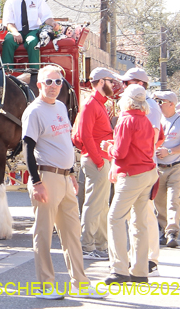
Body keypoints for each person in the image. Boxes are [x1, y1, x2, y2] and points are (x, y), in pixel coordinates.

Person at [23, 66, 105, 300]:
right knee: (44, 234)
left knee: (71, 234)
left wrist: (70, 173)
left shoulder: (60, 107)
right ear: (39, 85)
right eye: (48, 82)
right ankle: (45, 286)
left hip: (64, 178)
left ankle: (80, 282)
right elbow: (28, 149)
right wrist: (36, 182)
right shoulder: (34, 111)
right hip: (46, 177)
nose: (54, 86)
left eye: (58, 82)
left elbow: (64, 142)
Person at [100, 84, 158, 284]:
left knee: (115, 219)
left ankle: (119, 269)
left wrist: (108, 147)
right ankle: (140, 271)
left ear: (127, 101)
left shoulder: (127, 120)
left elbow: (120, 153)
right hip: (147, 172)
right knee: (139, 223)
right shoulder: (146, 120)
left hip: (133, 174)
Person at [73, 67, 118, 261]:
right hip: (96, 160)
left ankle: (99, 245)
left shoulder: (97, 103)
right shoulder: (92, 104)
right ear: (101, 82)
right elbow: (85, 136)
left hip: (99, 159)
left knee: (100, 205)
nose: (112, 85)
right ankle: (88, 246)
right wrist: (100, 162)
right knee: (94, 205)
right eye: (110, 81)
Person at [122, 69, 162, 277]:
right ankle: (139, 257)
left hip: (141, 166)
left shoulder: (150, 107)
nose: (124, 85)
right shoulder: (141, 105)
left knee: (144, 215)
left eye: (128, 82)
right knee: (136, 216)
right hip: (138, 166)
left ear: (139, 83)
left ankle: (149, 260)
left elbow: (155, 137)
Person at [154, 90, 180, 249]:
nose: (158, 105)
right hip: (158, 168)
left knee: (173, 200)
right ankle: (163, 230)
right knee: (159, 202)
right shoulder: (157, 120)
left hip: (175, 167)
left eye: (161, 102)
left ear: (171, 104)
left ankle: (172, 232)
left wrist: (169, 151)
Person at [0, 0, 56, 68]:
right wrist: (15, 32)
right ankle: (7, 73)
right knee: (8, 41)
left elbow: (46, 17)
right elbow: (9, 23)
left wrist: (53, 23)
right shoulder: (10, 2)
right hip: (16, 31)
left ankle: (34, 72)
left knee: (32, 41)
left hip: (32, 30)